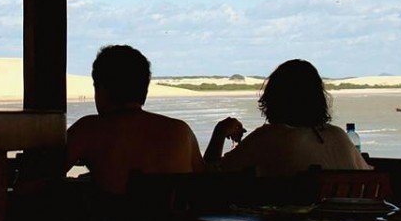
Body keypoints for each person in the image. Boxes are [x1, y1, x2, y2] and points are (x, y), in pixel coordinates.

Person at [66, 44, 205, 195]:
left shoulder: (89, 129)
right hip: (173, 218)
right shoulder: (181, 131)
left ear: (102, 89)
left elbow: (42, 177)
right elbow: (205, 183)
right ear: (144, 88)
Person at [204, 59, 372, 176]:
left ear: (273, 98)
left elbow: (211, 175)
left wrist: (219, 133)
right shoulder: (339, 135)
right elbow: (368, 174)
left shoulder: (269, 136)